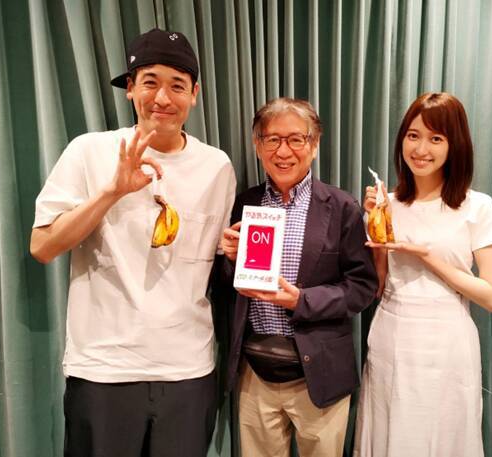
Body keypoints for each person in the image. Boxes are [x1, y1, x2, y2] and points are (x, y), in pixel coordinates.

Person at [30, 28, 236, 457]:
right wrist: (111, 192)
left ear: (194, 94)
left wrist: (235, 251)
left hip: (188, 371)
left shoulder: (217, 167)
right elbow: (43, 246)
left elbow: (216, 262)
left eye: (177, 85)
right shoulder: (89, 151)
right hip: (104, 371)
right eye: (150, 82)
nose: (163, 97)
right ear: (130, 88)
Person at [353, 92, 492, 457]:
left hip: (447, 343)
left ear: (455, 145)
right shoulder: (388, 203)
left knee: (443, 435)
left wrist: (428, 257)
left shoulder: (477, 206)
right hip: (391, 336)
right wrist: (373, 224)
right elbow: (378, 286)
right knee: (389, 432)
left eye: (436, 138)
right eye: (413, 135)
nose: (421, 149)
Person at [220, 97, 377, 457]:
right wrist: (229, 260)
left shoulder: (342, 207)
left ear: (314, 144)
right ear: (257, 145)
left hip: (320, 373)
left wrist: (301, 301)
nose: (283, 151)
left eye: (295, 139)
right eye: (272, 139)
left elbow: (362, 287)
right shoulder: (245, 203)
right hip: (255, 374)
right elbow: (230, 284)